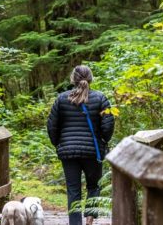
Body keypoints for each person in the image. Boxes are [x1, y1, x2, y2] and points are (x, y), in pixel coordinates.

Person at [47, 65, 115, 225]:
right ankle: (89, 221)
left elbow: (52, 125)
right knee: (94, 187)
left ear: (73, 79)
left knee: (73, 190)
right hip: (93, 151)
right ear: (90, 78)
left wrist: (59, 144)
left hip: (68, 153)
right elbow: (108, 124)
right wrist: (104, 140)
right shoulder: (101, 99)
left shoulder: (61, 99)